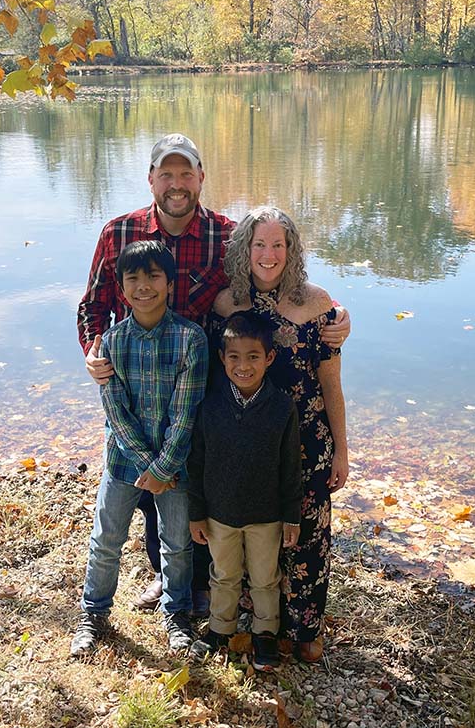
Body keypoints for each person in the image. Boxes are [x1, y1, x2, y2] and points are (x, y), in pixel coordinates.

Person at [77, 133, 351, 613]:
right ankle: (167, 578)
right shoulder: (118, 234)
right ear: (151, 179)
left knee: (198, 480)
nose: (177, 185)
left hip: (205, 385)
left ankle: (207, 582)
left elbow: (273, 281)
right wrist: (94, 349)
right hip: (138, 384)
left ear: (202, 178)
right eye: (167, 174)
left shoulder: (227, 236)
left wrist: (335, 314)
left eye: (187, 174)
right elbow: (93, 306)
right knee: (147, 488)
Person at [210, 206, 349, 664]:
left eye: (278, 245)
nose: (268, 255)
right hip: (249, 445)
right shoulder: (227, 305)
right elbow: (216, 380)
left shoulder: (318, 304)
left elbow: (332, 384)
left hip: (308, 443)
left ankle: (306, 628)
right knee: (256, 533)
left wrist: (342, 452)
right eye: (259, 245)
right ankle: (261, 628)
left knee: (306, 536)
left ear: (292, 252)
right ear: (244, 250)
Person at [70, 241, 208, 656]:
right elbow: (115, 412)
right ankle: (93, 613)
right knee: (106, 539)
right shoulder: (110, 343)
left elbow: (185, 416)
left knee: (177, 543)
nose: (143, 286)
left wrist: (163, 469)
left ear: (169, 283)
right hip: (122, 463)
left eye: (153, 276)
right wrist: (148, 467)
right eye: (133, 278)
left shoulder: (191, 339)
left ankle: (177, 614)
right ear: (121, 287)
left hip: (175, 465)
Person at [188, 311, 302, 671]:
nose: (243, 366)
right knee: (223, 574)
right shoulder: (210, 406)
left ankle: (265, 633)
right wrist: (196, 512)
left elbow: (290, 468)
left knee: (266, 578)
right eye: (234, 357)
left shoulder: (282, 408)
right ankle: (221, 628)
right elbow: (197, 463)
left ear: (269, 359)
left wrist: (291, 516)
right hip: (219, 514)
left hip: (266, 516)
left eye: (253, 356)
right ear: (222, 358)